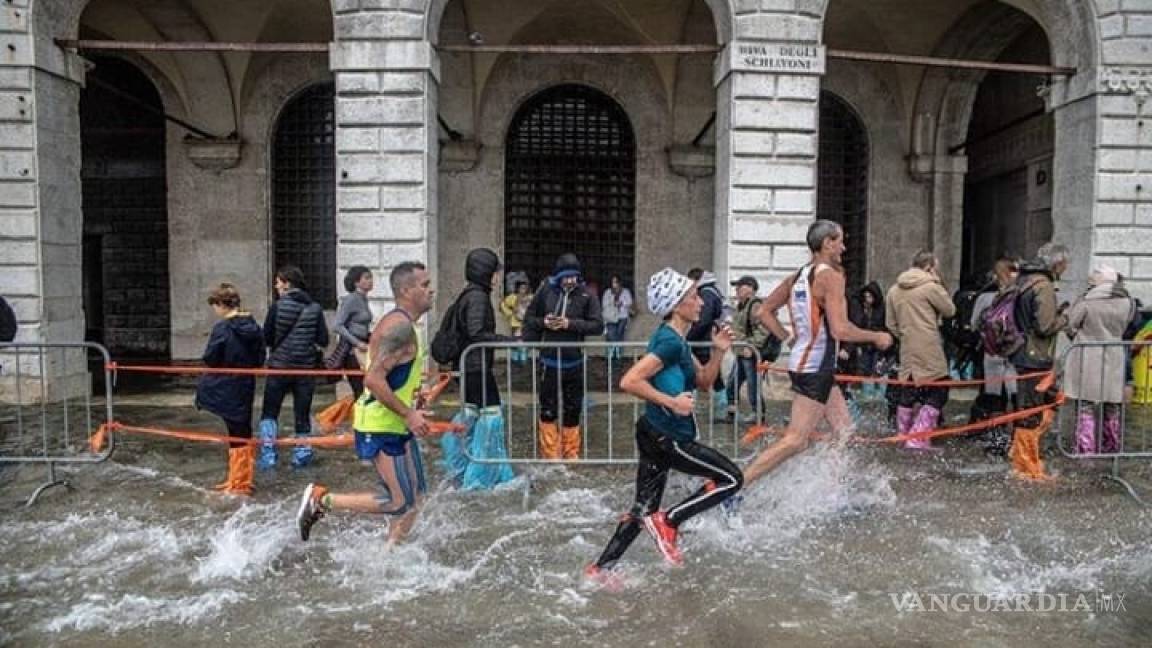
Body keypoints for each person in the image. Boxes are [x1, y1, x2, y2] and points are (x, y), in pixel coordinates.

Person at [585, 268, 742, 577]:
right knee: (732, 479)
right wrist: (673, 403)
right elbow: (630, 381)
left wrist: (718, 352)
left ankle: (600, 569)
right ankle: (669, 521)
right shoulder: (670, 342)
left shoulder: (677, 341)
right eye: (694, 297)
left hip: (652, 431)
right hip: (669, 438)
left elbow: (704, 381)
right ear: (676, 305)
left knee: (642, 508)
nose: (701, 302)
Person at [742, 220, 894, 489]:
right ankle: (735, 485)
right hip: (815, 369)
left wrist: (790, 339)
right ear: (827, 244)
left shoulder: (798, 275)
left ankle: (828, 491)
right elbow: (840, 329)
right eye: (840, 241)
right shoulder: (830, 277)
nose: (844, 247)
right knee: (796, 439)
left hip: (808, 363)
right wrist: (877, 336)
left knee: (844, 430)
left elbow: (762, 312)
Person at [296, 262, 435, 546]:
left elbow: (393, 375)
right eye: (424, 285)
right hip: (381, 425)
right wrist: (409, 413)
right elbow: (373, 380)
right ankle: (322, 500)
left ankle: (390, 555)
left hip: (396, 422)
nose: (431, 291)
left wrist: (414, 401)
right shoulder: (399, 327)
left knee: (417, 496)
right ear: (406, 291)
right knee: (398, 501)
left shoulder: (405, 326)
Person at [441, 248, 516, 490]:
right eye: (495, 272)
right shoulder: (477, 298)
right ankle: (480, 478)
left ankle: (464, 468)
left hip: (470, 369)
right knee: (490, 419)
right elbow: (476, 334)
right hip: (476, 369)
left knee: (472, 417)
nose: (497, 278)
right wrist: (511, 342)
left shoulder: (469, 295)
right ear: (487, 273)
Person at [523, 253, 604, 459]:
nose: (570, 281)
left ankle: (571, 453)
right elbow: (529, 318)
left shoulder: (587, 294)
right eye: (566, 277)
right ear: (558, 277)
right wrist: (545, 322)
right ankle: (550, 453)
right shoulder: (545, 291)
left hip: (574, 361)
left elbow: (597, 325)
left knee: (573, 408)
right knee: (548, 408)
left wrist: (570, 324)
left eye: (574, 276)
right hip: (549, 361)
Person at [195, 284, 265, 495]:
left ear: (221, 304)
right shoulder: (253, 326)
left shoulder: (222, 328)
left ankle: (238, 481)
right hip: (245, 383)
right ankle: (240, 478)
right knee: (241, 429)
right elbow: (260, 358)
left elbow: (210, 357)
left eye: (215, 305)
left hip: (225, 383)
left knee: (235, 431)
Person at [1007, 242, 1070, 479]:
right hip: (1035, 356)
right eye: (1065, 264)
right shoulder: (1042, 285)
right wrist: (1064, 318)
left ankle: (1023, 458)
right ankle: (1026, 467)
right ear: (1058, 263)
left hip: (1024, 353)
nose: (1066, 268)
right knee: (1031, 411)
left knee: (1032, 407)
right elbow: (1045, 326)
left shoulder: (1024, 279)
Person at [259, 266, 329, 469]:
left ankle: (269, 453)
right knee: (302, 411)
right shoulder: (315, 308)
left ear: (288, 283)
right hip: (304, 369)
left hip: (279, 367)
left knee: (270, 411)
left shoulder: (277, 307)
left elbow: (267, 337)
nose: (276, 285)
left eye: (279, 281)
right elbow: (323, 340)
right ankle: (301, 453)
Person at [885, 251, 956, 451]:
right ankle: (918, 437)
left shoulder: (893, 290)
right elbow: (950, 310)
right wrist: (940, 283)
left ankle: (903, 433)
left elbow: (890, 323)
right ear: (929, 267)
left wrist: (906, 335)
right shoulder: (931, 287)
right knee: (940, 389)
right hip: (929, 345)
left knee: (908, 389)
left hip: (907, 347)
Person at [1064, 265, 1136, 454]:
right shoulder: (1128, 302)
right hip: (1114, 356)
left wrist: (1076, 336)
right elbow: (1129, 325)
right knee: (1112, 404)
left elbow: (1071, 323)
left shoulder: (1088, 301)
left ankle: (1085, 448)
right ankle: (1111, 445)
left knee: (1085, 404)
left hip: (1087, 356)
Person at [969, 258, 1019, 456]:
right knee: (1016, 399)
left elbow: (974, 324)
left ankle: (996, 440)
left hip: (991, 356)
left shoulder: (985, 298)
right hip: (1014, 356)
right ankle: (1017, 441)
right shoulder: (1020, 295)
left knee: (994, 399)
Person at [727, 275, 769, 423]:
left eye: (740, 286)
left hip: (749, 353)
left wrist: (752, 346)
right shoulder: (741, 306)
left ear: (750, 289)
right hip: (741, 351)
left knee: (753, 386)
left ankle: (759, 415)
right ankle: (731, 413)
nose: (737, 289)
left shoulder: (755, 305)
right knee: (732, 383)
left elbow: (764, 329)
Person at [327, 266, 374, 398]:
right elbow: (337, 325)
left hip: (363, 347)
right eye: (367, 277)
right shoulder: (351, 299)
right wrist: (357, 342)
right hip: (352, 351)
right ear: (356, 282)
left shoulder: (364, 299)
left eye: (371, 277)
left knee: (366, 389)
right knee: (359, 390)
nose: (371, 281)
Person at [685, 268, 727, 412]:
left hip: (704, 341)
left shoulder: (707, 293)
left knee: (707, 374)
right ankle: (720, 407)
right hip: (706, 339)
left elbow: (703, 320)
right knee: (711, 374)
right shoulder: (712, 290)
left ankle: (719, 408)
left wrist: (688, 337)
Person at [843, 282, 886, 401]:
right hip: (865, 345)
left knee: (877, 371)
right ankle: (867, 395)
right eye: (866, 296)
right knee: (864, 369)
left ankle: (878, 397)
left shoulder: (881, 309)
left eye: (870, 296)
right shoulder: (862, 308)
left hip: (877, 345)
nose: (868, 299)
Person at [601, 275, 634, 364]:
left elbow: (630, 302)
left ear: (619, 282)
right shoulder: (608, 292)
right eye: (613, 282)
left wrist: (622, 303)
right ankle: (610, 355)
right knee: (611, 336)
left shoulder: (625, 292)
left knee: (619, 335)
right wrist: (613, 303)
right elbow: (604, 304)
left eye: (616, 282)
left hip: (622, 317)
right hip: (611, 317)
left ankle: (618, 356)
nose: (614, 284)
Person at [500, 277, 532, 365]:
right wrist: (510, 314)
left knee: (525, 342)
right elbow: (503, 305)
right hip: (515, 324)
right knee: (515, 342)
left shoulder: (531, 297)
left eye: (525, 288)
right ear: (517, 288)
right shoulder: (512, 297)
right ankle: (514, 360)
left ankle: (523, 360)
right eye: (521, 288)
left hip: (527, 324)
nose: (523, 290)